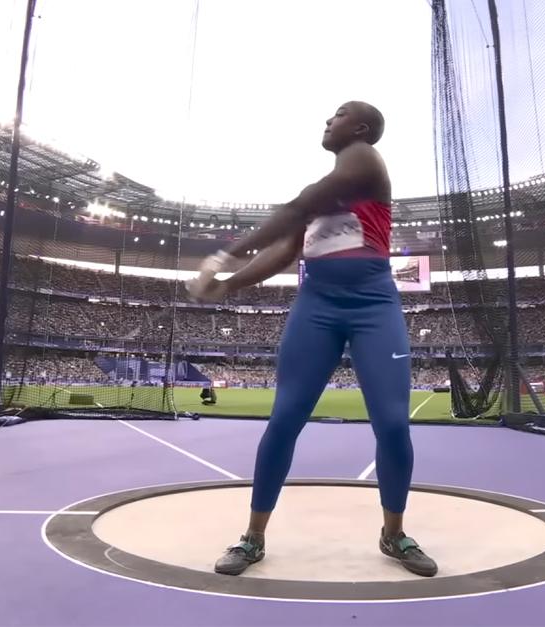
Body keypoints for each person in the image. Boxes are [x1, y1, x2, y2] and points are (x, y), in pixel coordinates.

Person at [186, 101, 437, 577]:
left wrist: (224, 255)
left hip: (372, 304)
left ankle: (394, 534)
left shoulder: (365, 158)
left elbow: (297, 207)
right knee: (284, 419)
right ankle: (253, 537)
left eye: (337, 115)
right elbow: (285, 250)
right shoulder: (326, 194)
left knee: (392, 424)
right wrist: (229, 284)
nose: (327, 121)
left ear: (360, 128)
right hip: (316, 305)